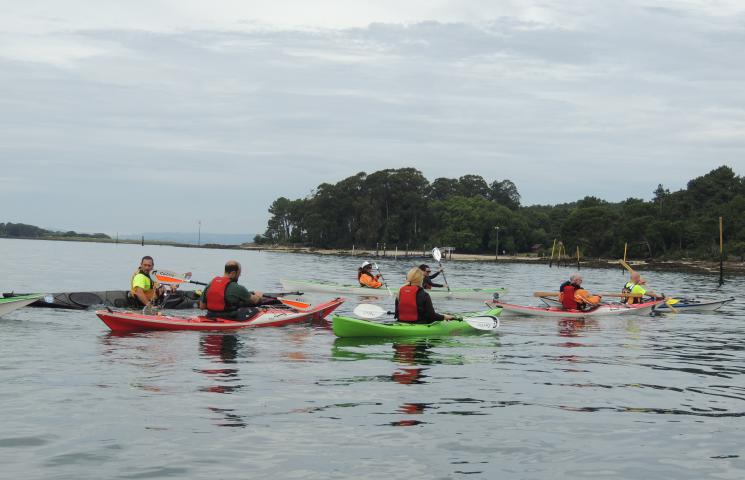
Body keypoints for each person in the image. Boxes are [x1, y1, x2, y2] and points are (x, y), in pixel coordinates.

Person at [199, 260, 264, 320]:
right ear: (233, 273)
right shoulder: (238, 288)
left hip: (210, 316)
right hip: (229, 318)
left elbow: (202, 306)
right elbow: (255, 301)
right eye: (239, 274)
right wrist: (259, 296)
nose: (240, 275)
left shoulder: (210, 284)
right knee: (258, 310)